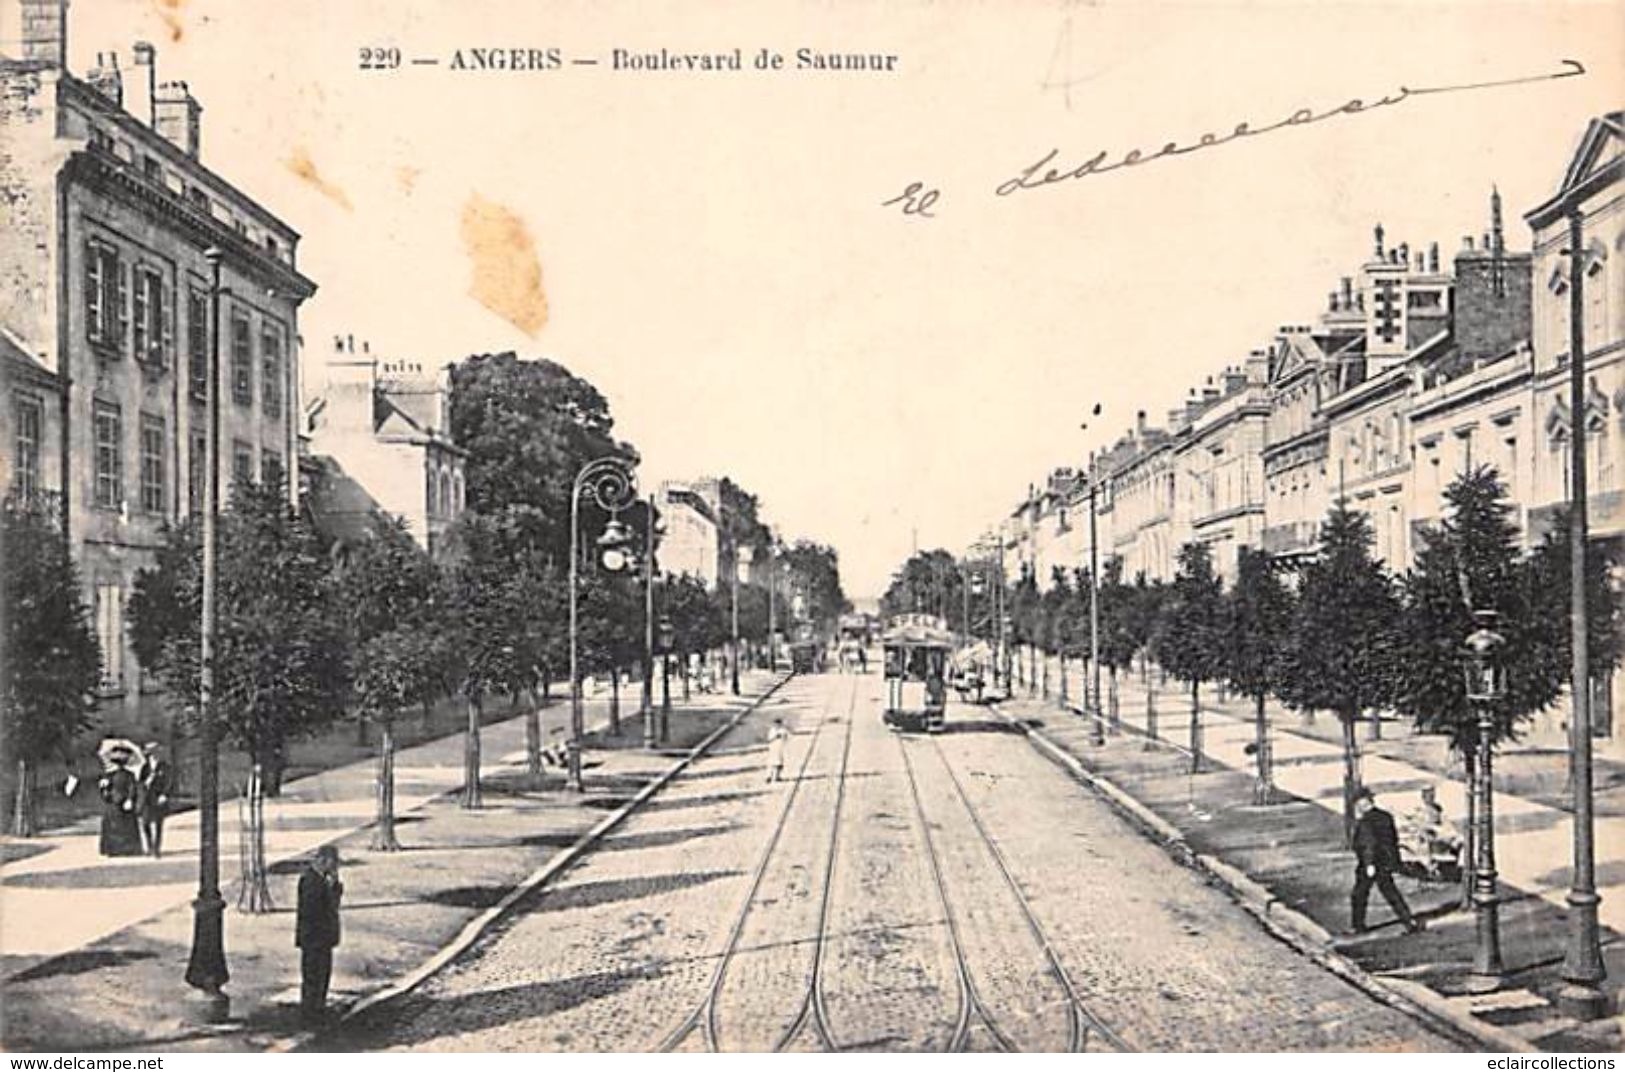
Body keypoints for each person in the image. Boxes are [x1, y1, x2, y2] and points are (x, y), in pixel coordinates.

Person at [1351, 788, 1422, 934]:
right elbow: (1392, 840)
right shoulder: (1386, 816)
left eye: (1358, 803)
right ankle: (1409, 921)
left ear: (1363, 803)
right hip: (1386, 861)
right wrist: (1394, 861)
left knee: (1359, 894)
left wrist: (1369, 864)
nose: (1358, 807)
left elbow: (1369, 844)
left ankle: (1358, 926)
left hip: (1371, 863)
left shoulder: (1366, 822)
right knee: (1391, 893)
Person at [296, 845, 344, 1024]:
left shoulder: (321, 879)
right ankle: (310, 1015)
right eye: (333, 863)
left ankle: (318, 1010)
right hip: (314, 939)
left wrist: (335, 886)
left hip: (322, 938)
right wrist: (332, 891)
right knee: (313, 978)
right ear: (324, 860)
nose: (335, 868)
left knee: (322, 976)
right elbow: (314, 912)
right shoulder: (311, 881)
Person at [97, 752, 143, 857]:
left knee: (126, 826)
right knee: (112, 826)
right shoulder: (109, 775)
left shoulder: (129, 775)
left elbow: (132, 788)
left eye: (120, 764)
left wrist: (130, 799)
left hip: (124, 802)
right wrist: (104, 787)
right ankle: (113, 849)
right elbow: (105, 792)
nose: (118, 766)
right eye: (117, 764)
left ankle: (128, 849)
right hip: (113, 803)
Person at [138, 742, 172, 858]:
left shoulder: (165, 767)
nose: (153, 755)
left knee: (158, 824)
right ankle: (149, 846)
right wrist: (145, 783)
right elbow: (140, 782)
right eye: (150, 753)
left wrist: (164, 794)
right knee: (145, 823)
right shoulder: (145, 767)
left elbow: (169, 782)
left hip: (158, 798)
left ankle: (157, 849)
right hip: (147, 799)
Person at [765, 719, 788, 783]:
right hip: (772, 748)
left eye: (778, 724)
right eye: (776, 724)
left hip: (779, 748)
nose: (777, 725)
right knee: (771, 763)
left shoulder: (783, 730)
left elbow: (786, 738)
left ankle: (777, 776)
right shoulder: (772, 731)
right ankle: (769, 776)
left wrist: (782, 737)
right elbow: (769, 739)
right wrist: (775, 737)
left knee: (779, 763)